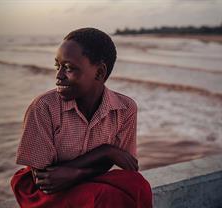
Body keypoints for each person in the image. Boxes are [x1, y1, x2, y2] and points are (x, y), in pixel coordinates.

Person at [11, 28, 152, 208]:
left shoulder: (124, 109)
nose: (59, 76)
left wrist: (78, 173)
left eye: (68, 68)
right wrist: (106, 151)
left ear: (100, 72)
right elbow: (44, 180)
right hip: (43, 191)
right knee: (103, 197)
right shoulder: (44, 107)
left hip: (87, 179)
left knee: (139, 185)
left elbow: (127, 166)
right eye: (58, 66)